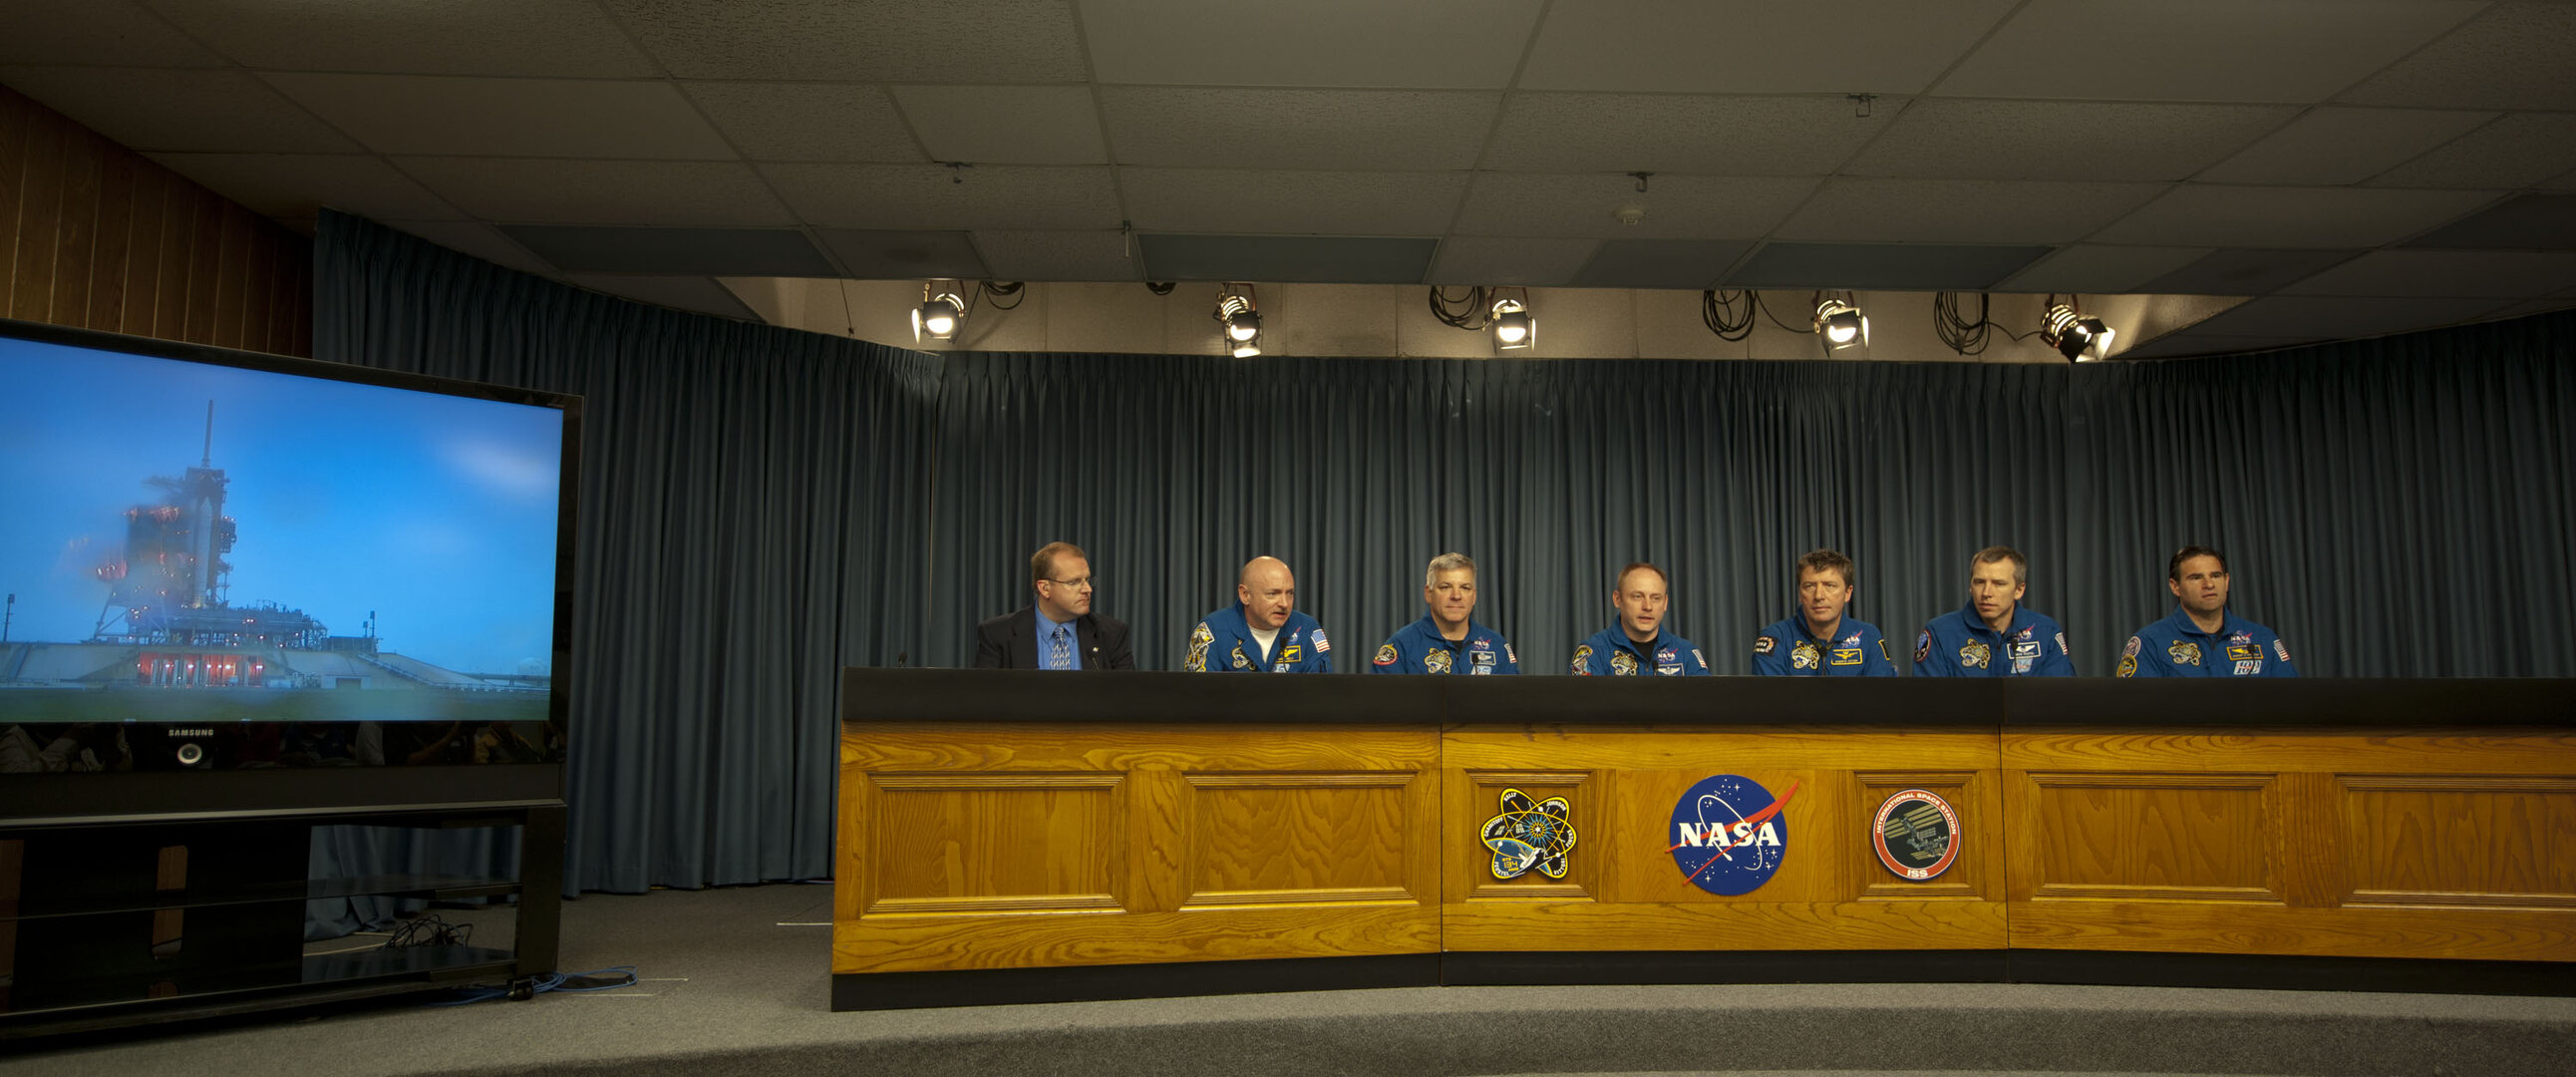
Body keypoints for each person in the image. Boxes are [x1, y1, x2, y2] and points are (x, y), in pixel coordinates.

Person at [2118, 544, 2299, 678]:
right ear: (2175, 587)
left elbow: (2292, 701)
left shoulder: (2263, 638)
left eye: (2216, 575)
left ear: (2226, 581)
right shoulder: (2150, 643)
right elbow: (2135, 711)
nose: (2209, 584)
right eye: (2196, 578)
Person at [1914, 545, 2076, 677]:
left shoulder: (2045, 632)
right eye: (1979, 582)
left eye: (1998, 584)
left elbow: (2060, 699)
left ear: (2019, 590)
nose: (1986, 593)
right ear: (1970, 586)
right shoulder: (1940, 633)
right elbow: (1929, 703)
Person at [973, 541, 1135, 670]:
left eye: (1087, 580)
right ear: (1044, 588)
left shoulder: (1111, 635)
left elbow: (1126, 701)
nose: (1087, 589)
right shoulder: (998, 634)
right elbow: (984, 701)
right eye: (1074, 582)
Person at [1370, 552, 1520, 675]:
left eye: (1465, 588)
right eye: (1446, 587)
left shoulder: (1496, 644)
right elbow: (1380, 707)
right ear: (1428, 594)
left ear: (1474, 596)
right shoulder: (1402, 646)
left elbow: (1514, 704)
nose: (1456, 596)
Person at [1753, 548, 1895, 676]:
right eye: (1809, 586)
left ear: (1847, 593)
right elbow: (1771, 702)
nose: (1819, 596)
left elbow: (1881, 699)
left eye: (1830, 585)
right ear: (1800, 594)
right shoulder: (1776, 639)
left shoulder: (1868, 636)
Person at [1185, 555, 1333, 672]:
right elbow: (1198, 697)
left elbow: (1321, 695)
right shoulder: (1212, 630)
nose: (1284, 603)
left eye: (1290, 593)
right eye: (1272, 594)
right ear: (1245, 595)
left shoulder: (1307, 629)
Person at [1572, 562, 1709, 675]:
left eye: (1656, 598)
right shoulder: (1593, 652)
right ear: (1617, 599)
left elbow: (1705, 705)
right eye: (1637, 596)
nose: (1648, 606)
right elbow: (1584, 706)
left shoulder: (1686, 652)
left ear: (1665, 603)